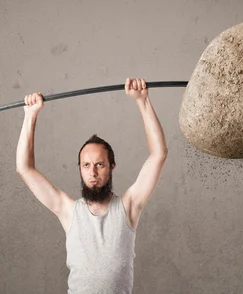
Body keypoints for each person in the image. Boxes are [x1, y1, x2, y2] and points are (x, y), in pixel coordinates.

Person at [16, 78, 168, 293]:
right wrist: (30, 116)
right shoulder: (68, 211)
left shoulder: (129, 207)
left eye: (99, 164)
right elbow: (24, 168)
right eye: (86, 165)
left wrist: (143, 102)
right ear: (80, 168)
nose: (93, 172)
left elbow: (159, 154)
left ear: (111, 166)